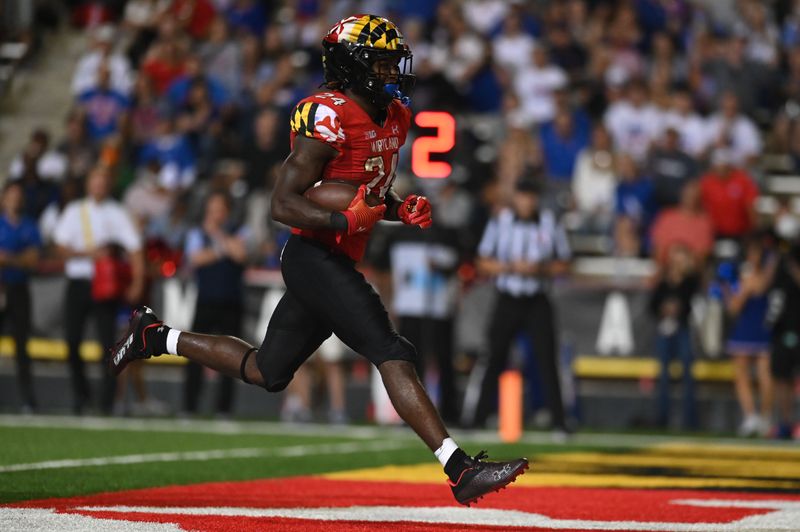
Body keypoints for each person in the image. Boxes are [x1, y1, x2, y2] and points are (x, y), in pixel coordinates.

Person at [111, 14, 527, 506]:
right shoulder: (324, 113)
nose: (391, 71)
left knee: (267, 371)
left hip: (334, 260)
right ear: (352, 66)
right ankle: (459, 471)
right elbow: (283, 203)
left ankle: (156, 335)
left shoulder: (394, 115)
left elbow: (366, 192)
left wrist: (398, 207)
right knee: (392, 349)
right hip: (312, 256)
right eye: (380, 62)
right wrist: (345, 223)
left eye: (393, 61)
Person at [473, 179, 571, 435]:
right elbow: (482, 261)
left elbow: (564, 263)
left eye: (531, 196)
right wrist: (510, 267)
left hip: (537, 297)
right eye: (522, 196)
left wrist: (540, 269)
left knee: (547, 359)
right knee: (494, 356)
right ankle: (479, 416)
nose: (527, 202)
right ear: (515, 197)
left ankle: (558, 420)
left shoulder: (550, 222)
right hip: (508, 297)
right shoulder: (500, 221)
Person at [55, 165, 145, 414]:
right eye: (96, 180)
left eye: (104, 181)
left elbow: (135, 248)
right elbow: (60, 247)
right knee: (72, 341)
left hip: (105, 286)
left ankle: (106, 402)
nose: (99, 186)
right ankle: (81, 394)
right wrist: (88, 253)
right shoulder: (75, 211)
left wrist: (137, 281)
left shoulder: (117, 212)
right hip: (79, 283)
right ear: (88, 184)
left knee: (108, 345)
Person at [182, 191, 248, 418]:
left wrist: (217, 237)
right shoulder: (196, 232)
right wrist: (223, 249)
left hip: (232, 301)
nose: (214, 213)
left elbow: (240, 254)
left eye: (218, 208)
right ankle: (190, 406)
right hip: (206, 301)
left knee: (231, 359)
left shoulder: (238, 230)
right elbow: (195, 258)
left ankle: (224, 408)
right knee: (195, 354)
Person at [721, 235, 775, 437]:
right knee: (741, 373)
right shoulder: (740, 272)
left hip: (763, 326)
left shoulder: (769, 269)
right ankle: (750, 416)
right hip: (744, 326)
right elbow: (733, 307)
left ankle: (765, 416)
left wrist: (745, 286)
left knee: (765, 374)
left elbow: (759, 287)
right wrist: (728, 289)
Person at [0, 182, 42, 412]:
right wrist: (19, 259)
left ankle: (28, 398)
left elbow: (33, 259)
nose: (15, 199)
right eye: (11, 195)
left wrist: (9, 259)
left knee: (21, 345)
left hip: (18, 289)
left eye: (18, 195)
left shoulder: (29, 226)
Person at [649, 244, 699, 429]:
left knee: (687, 374)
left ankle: (689, 419)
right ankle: (662, 417)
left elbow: (690, 300)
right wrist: (664, 309)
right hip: (664, 330)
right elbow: (652, 306)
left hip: (683, 329)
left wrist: (677, 307)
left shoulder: (690, 281)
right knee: (663, 375)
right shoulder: (663, 282)